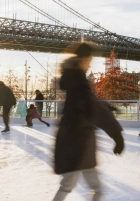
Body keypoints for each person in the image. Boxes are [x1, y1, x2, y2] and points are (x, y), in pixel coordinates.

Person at [53, 43, 124, 201]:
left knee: (68, 186)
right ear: (84, 58)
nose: (90, 63)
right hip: (80, 143)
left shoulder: (74, 79)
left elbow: (88, 103)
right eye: (90, 59)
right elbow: (92, 106)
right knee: (94, 189)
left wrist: (106, 106)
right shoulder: (79, 81)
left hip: (72, 140)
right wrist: (116, 134)